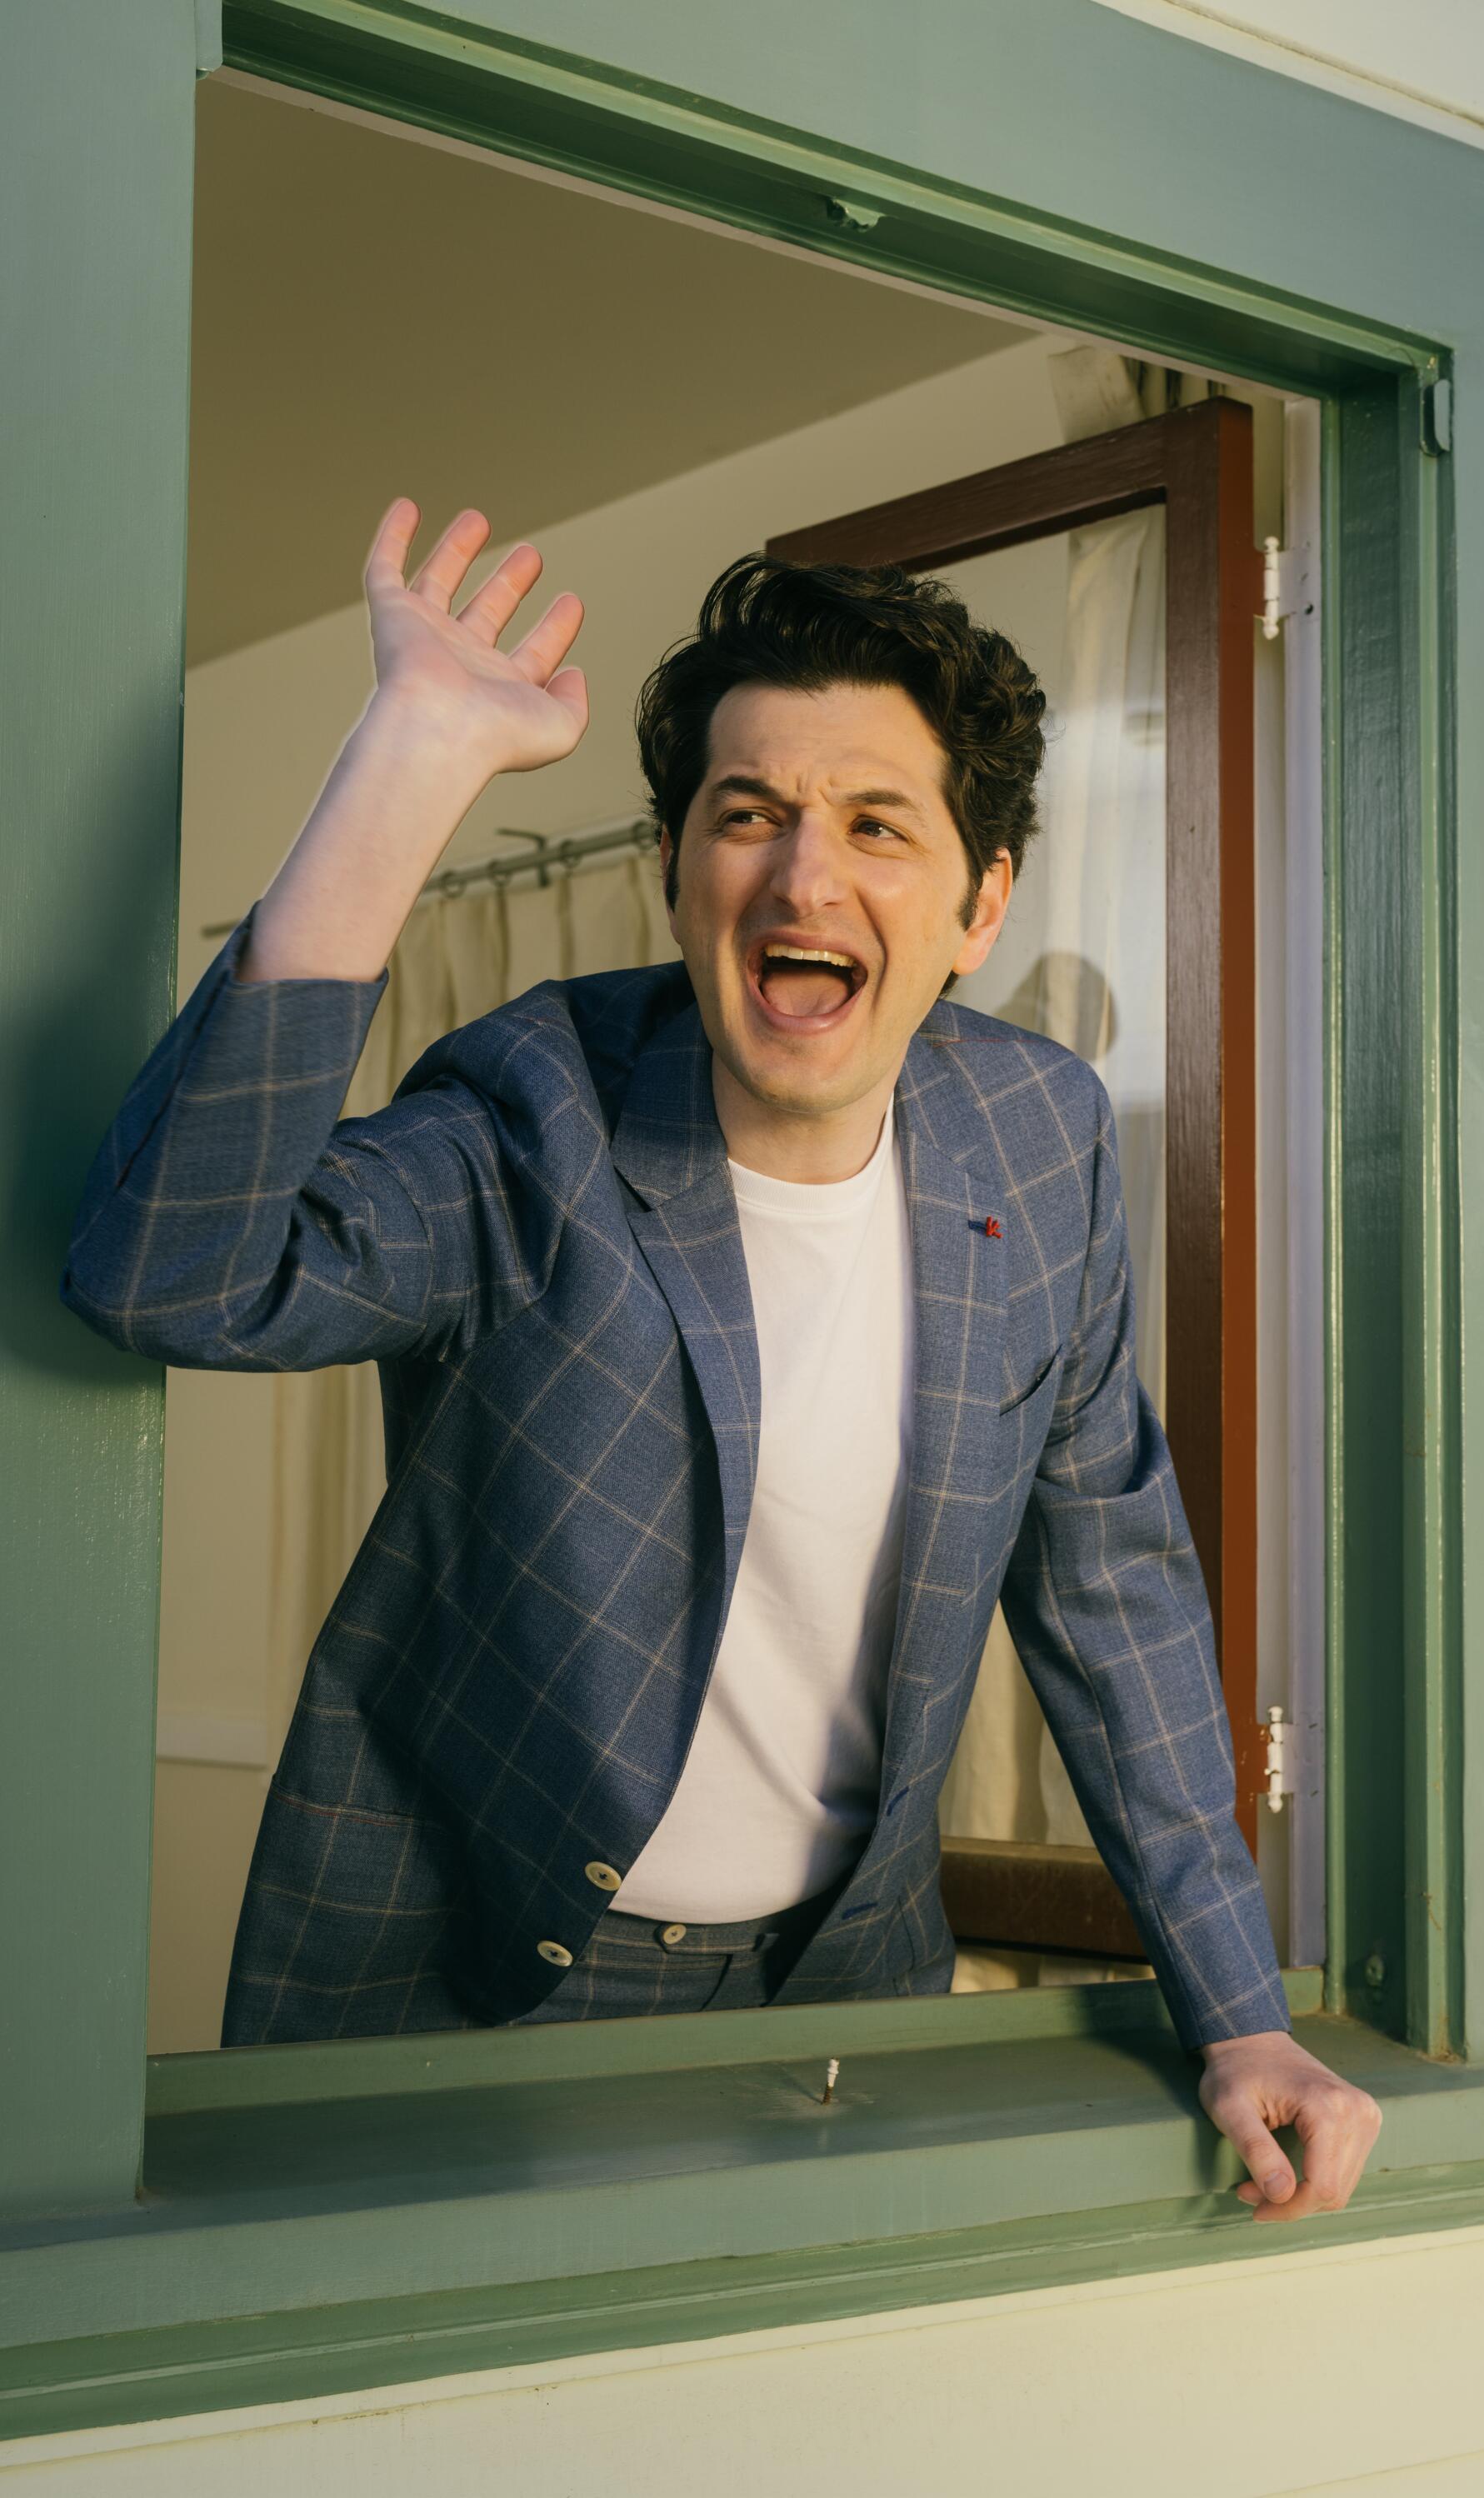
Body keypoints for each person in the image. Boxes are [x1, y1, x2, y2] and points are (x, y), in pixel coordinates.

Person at [61, 500, 1380, 2222]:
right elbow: (169, 1277)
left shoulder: (1039, 1136)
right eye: (744, 814)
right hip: (447, 1967)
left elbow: (1109, 1594)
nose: (801, 874)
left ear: (982, 902)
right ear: (675, 870)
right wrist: (410, 756)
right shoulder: (531, 1109)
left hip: (839, 1991)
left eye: (875, 825)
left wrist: (1240, 2009)